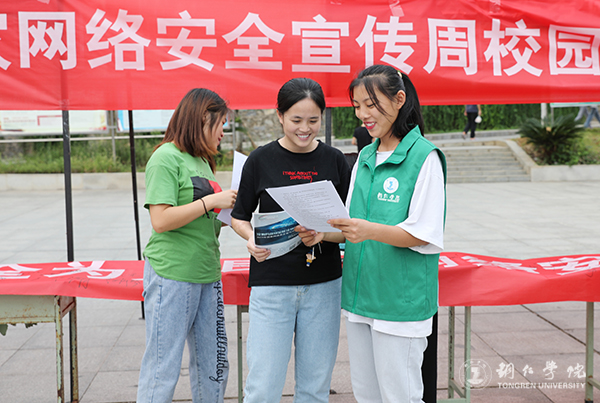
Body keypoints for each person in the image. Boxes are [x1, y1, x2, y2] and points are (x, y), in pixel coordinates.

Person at [297, 64, 446, 403]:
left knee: (400, 396)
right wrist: (323, 234)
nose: (363, 114)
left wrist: (367, 230)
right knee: (367, 394)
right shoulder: (366, 155)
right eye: (357, 106)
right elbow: (351, 225)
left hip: (399, 301)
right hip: (360, 296)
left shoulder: (425, 158)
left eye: (371, 104)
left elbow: (423, 234)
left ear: (399, 100)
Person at [230, 78, 351, 403]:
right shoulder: (260, 160)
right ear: (280, 115)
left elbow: (351, 228)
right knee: (263, 387)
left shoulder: (335, 160)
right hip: (272, 285)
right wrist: (251, 238)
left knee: (315, 388)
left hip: (323, 286)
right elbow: (239, 217)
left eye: (313, 120)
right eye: (296, 120)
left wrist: (322, 234)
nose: (305, 129)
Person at [136, 88, 238, 403]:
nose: (223, 132)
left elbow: (206, 221)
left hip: (207, 273)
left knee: (215, 365)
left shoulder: (203, 161)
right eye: (221, 123)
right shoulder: (165, 158)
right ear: (203, 118)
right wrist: (211, 201)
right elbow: (161, 220)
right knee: (163, 365)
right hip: (173, 275)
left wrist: (235, 210)